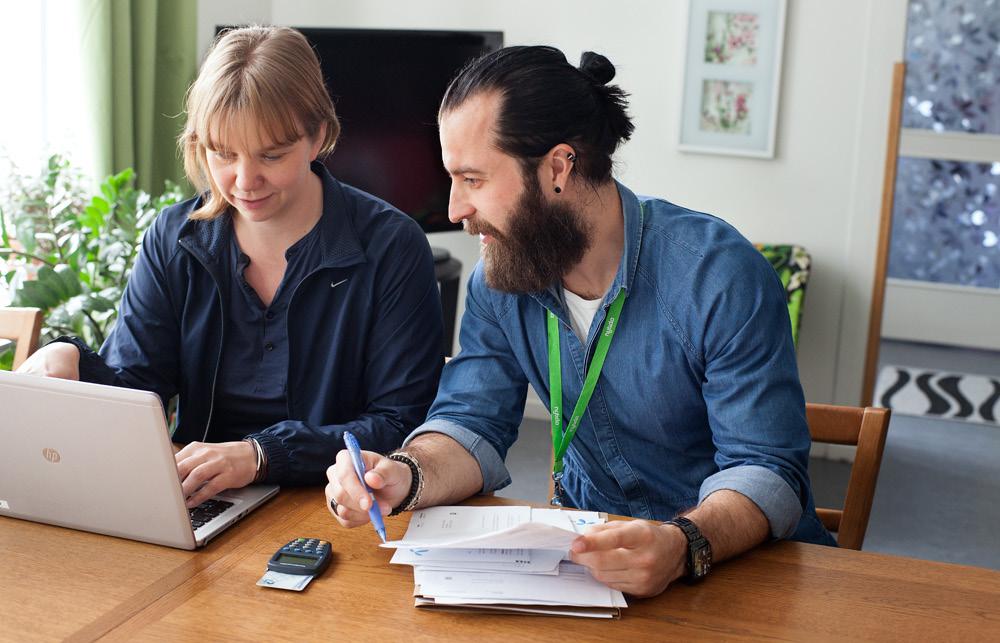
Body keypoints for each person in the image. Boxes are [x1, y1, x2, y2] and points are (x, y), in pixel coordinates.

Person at [325, 45, 835, 598]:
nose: (454, 210)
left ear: (558, 168)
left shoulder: (719, 276)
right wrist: (403, 474)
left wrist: (683, 542)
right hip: (591, 568)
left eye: (472, 179)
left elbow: (768, 471)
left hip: (738, 572)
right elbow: (469, 421)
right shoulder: (500, 277)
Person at [18, 26, 444, 509]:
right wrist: (74, 360)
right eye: (222, 153)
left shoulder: (391, 245)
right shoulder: (174, 238)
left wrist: (261, 456)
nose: (244, 181)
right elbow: (139, 393)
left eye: (272, 155)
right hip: (203, 499)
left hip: (339, 508)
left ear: (318, 135)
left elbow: (399, 422)